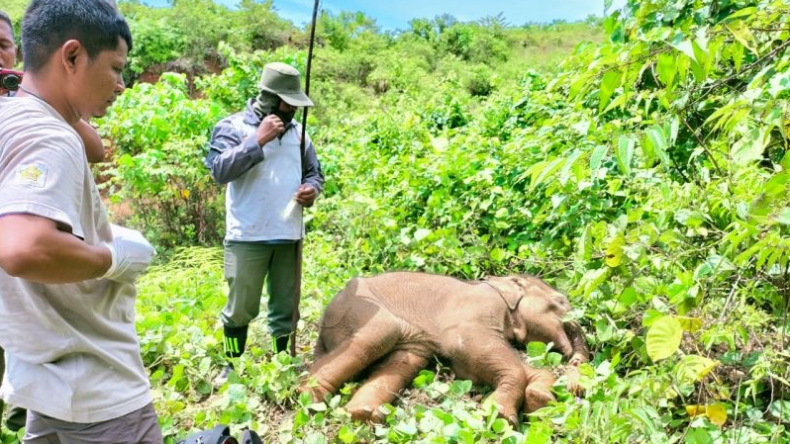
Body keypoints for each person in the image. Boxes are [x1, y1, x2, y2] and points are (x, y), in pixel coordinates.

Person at [0, 0, 162, 442]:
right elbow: (25, 247)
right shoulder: (50, 135)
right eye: (115, 68)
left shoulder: (13, 116)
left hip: (44, 377)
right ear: (71, 56)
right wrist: (112, 258)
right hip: (97, 383)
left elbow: (95, 148)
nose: (121, 84)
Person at [0, 8, 112, 435]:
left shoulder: (26, 105)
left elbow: (95, 148)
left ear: (17, 53)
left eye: (2, 46)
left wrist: (28, 95)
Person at [205, 62, 324, 383]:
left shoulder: (300, 134)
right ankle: (231, 365)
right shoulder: (232, 127)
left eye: (296, 104)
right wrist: (257, 140)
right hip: (245, 236)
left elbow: (315, 173)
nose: (293, 110)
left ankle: (282, 363)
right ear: (270, 98)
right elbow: (219, 171)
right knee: (240, 307)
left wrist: (311, 189)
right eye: (287, 103)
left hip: (289, 235)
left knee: (285, 307)